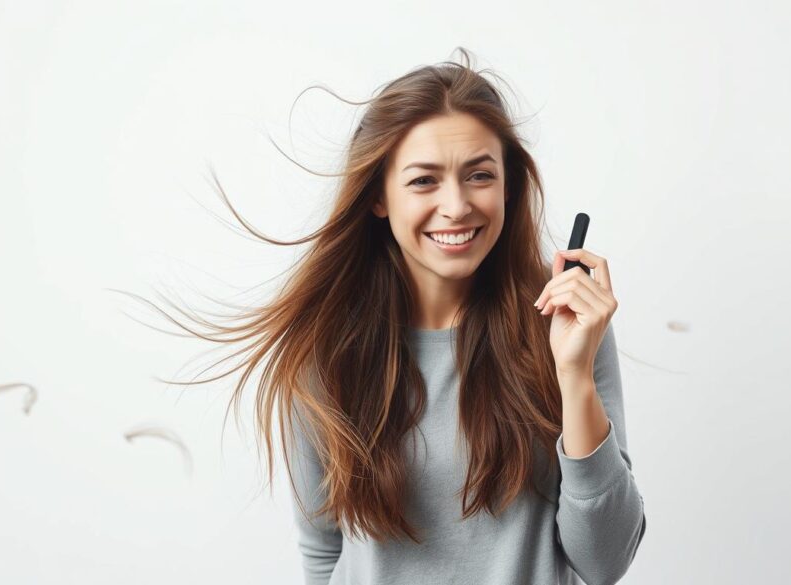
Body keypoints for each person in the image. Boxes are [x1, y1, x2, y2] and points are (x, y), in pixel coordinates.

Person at [153, 47, 646, 585]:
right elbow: (324, 555)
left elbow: (604, 563)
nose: (456, 205)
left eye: (479, 175)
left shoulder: (569, 327)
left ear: (508, 184)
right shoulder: (324, 350)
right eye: (423, 181)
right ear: (379, 197)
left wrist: (573, 377)